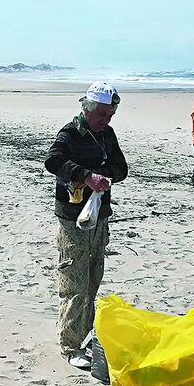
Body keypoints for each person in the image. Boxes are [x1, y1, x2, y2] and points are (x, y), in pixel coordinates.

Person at [45, 82, 128, 368]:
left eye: (110, 115)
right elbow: (52, 160)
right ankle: (69, 345)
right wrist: (85, 175)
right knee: (74, 280)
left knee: (93, 276)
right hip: (72, 218)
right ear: (88, 109)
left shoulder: (107, 135)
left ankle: (86, 332)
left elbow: (121, 168)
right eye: (102, 115)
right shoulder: (70, 133)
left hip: (99, 215)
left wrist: (104, 176)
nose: (106, 121)